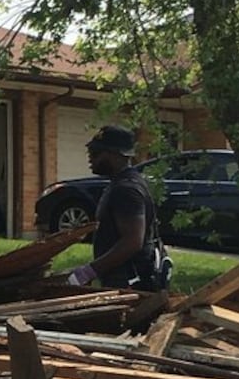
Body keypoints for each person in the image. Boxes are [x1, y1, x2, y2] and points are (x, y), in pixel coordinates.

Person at [66, 125, 171, 291]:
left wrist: (90, 271)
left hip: (130, 284)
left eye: (95, 153)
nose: (90, 158)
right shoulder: (123, 183)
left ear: (116, 155)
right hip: (124, 282)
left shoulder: (126, 189)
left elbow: (132, 241)